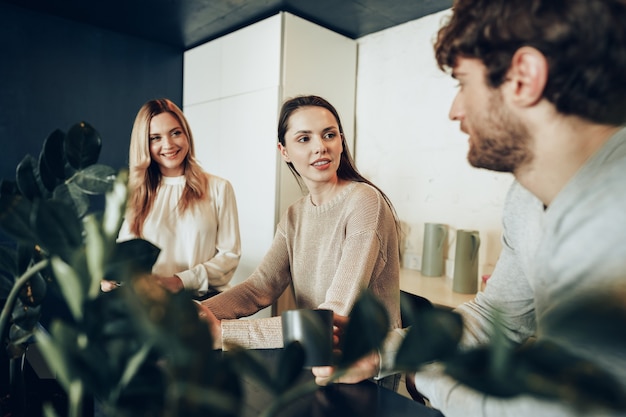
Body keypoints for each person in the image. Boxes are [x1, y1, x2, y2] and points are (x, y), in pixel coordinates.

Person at [312, 0, 626, 415]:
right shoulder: (526, 199)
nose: (455, 111)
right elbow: (498, 317)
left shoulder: (614, 213)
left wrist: (423, 378)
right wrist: (382, 352)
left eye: (463, 82)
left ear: (524, 78)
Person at [197, 95, 401, 359]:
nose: (320, 147)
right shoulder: (295, 214)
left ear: (341, 142)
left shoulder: (364, 201)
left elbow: (333, 315)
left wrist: (224, 334)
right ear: (284, 152)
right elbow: (259, 288)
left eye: (329, 135)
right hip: (315, 354)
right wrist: (201, 314)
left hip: (365, 365)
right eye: (304, 139)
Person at [112, 98, 241, 298]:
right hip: (150, 306)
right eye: (155, 138)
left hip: (204, 305)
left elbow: (229, 257)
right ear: (144, 144)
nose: (168, 144)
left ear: (186, 134)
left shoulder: (219, 188)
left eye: (175, 133)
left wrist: (181, 281)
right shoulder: (135, 191)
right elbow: (125, 257)